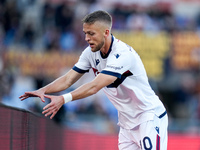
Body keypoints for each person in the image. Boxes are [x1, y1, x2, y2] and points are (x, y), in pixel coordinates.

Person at [19, 10, 168, 150]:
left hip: (148, 116)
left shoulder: (122, 54)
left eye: (91, 34)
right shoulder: (90, 53)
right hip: (126, 123)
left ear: (106, 32)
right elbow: (68, 79)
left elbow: (94, 86)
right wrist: (43, 90)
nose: (86, 38)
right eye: (85, 33)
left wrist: (63, 99)